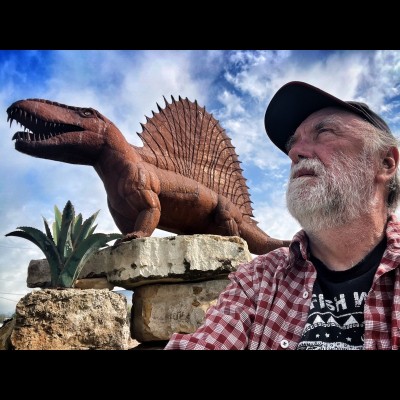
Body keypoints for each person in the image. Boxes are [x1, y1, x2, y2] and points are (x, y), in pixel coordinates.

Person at [164, 81, 400, 350]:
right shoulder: (258, 279)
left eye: (324, 132)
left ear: (386, 163)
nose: (294, 153)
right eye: (294, 142)